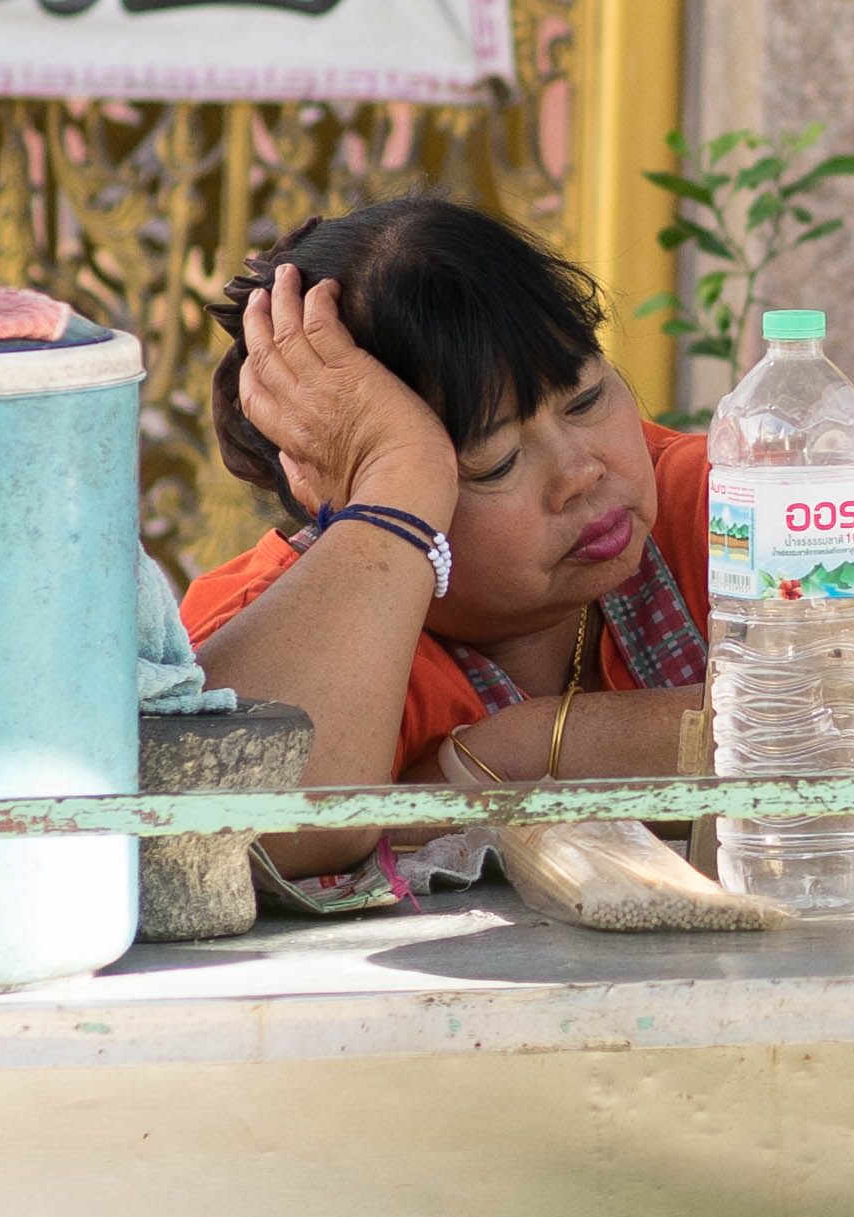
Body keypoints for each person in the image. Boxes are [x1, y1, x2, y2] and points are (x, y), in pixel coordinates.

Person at [178, 198, 706, 887]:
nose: (581, 473)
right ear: (338, 482)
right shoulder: (272, 630)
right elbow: (227, 842)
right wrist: (401, 472)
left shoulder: (726, 506)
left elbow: (850, 721)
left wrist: (521, 754)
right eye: (495, 462)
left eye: (585, 400)